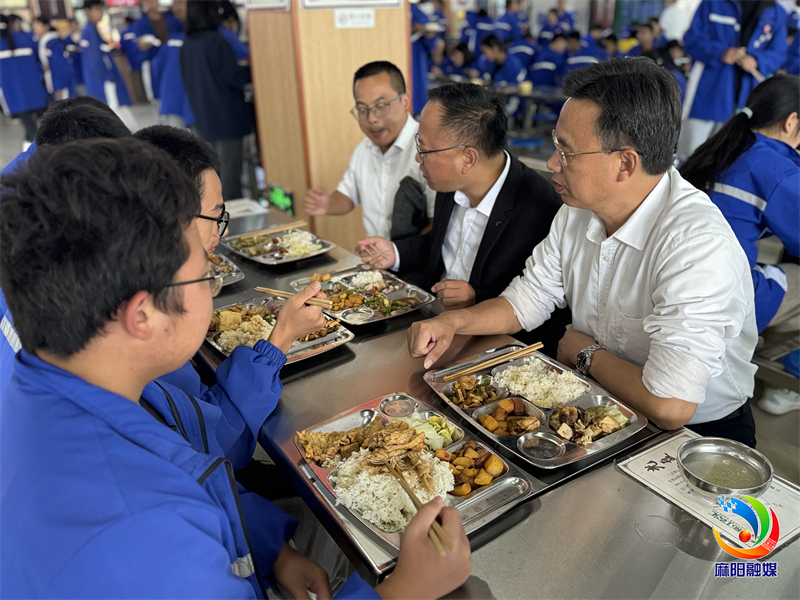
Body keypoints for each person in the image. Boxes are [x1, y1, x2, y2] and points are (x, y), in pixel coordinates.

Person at [0, 137, 471, 599]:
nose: (211, 283)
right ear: (142, 315)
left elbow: (191, 466)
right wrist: (403, 591)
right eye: (203, 272)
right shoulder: (144, 532)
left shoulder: (62, 389)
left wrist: (269, 549)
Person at [407, 58, 759, 448]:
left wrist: (585, 352)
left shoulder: (695, 245)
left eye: (566, 151)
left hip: (696, 436)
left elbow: (670, 405)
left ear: (625, 163)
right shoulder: (577, 211)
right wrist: (454, 322)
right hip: (602, 404)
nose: (552, 163)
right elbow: (528, 298)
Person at [356, 83, 569, 355]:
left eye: (425, 149)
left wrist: (475, 298)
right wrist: (395, 252)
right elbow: (441, 244)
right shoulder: (450, 183)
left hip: (494, 348)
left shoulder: (541, 208)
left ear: (467, 158)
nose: (418, 158)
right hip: (433, 323)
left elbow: (545, 303)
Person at [680, 75, 800, 415]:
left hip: (680, 282)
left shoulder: (721, 146)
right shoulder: (777, 168)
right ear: (791, 121)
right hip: (720, 297)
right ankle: (774, 373)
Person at [304, 61, 436, 240]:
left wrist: (397, 252)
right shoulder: (363, 150)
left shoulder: (428, 151)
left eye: (381, 106)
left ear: (404, 101)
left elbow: (436, 225)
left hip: (413, 256)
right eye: (362, 109)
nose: (371, 118)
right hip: (375, 255)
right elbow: (348, 194)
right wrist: (327, 204)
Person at [678, 0, 789, 161]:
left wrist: (757, 61)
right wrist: (720, 53)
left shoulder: (775, 11)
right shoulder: (713, 3)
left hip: (747, 100)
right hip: (708, 95)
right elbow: (691, 39)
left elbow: (780, 53)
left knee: (728, 159)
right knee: (689, 154)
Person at [181, 0, 254, 201]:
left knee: (214, 175)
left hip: (203, 120)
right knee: (231, 175)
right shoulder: (216, 41)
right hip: (227, 119)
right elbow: (234, 76)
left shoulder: (187, 44)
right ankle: (232, 216)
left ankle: (216, 215)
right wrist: (256, 68)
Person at [80, 0, 136, 131]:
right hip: (105, 82)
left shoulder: (93, 30)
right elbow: (95, 61)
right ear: (87, 11)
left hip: (105, 81)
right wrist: (109, 77)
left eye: (101, 9)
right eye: (96, 9)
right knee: (115, 112)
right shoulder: (89, 32)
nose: (100, 12)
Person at [0, 14, 49, 144]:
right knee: (37, 128)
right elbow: (39, 61)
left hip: (14, 96)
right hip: (34, 91)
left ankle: (36, 153)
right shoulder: (25, 38)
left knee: (32, 131)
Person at [150, 0, 195, 128]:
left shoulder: (173, 40)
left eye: (179, 3)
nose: (176, 8)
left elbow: (156, 68)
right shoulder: (204, 39)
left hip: (171, 103)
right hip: (188, 106)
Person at [132, 0, 183, 102]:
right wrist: (143, 47)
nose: (150, 5)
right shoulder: (140, 25)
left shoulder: (172, 20)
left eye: (152, 1)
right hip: (154, 64)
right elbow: (138, 53)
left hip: (174, 61)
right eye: (147, 2)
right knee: (159, 97)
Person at [32, 16, 73, 101]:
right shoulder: (45, 42)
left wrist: (59, 86)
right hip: (55, 82)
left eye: (38, 25)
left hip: (61, 85)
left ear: (46, 26)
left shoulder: (51, 43)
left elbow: (59, 65)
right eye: (33, 27)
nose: (35, 29)